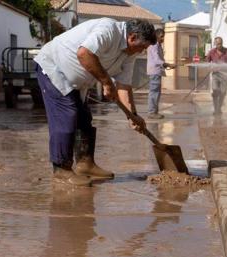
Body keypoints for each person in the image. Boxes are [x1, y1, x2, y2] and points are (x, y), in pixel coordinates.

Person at [34, 18, 155, 187]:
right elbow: (84, 53)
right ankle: (61, 170)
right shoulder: (108, 29)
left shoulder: (129, 54)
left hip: (77, 82)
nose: (142, 52)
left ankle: (86, 165)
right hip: (54, 68)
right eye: (142, 47)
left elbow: (124, 85)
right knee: (67, 115)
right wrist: (106, 82)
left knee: (84, 117)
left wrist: (133, 116)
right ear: (132, 37)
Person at [146, 28, 175, 119]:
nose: (163, 39)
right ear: (157, 36)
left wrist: (166, 65)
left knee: (156, 92)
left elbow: (159, 60)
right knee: (154, 92)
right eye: (162, 37)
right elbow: (157, 60)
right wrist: (168, 64)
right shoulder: (154, 45)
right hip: (154, 72)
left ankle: (154, 111)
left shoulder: (158, 45)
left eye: (163, 37)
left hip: (156, 71)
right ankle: (152, 112)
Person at [205, 37, 227, 115]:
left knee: (223, 92)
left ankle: (219, 108)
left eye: (221, 43)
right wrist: (209, 67)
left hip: (225, 75)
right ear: (215, 44)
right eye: (218, 44)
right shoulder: (211, 52)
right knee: (215, 91)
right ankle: (216, 109)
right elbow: (207, 62)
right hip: (215, 75)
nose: (219, 45)